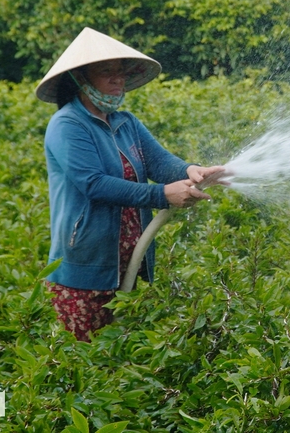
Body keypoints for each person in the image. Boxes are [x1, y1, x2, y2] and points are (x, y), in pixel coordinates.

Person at [35, 27, 225, 341]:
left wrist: (194, 171)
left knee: (119, 359)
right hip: (84, 265)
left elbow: (160, 163)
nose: (118, 79)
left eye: (121, 73)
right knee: (86, 363)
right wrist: (163, 195)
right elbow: (95, 184)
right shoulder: (67, 124)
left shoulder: (126, 123)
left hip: (125, 262)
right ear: (80, 79)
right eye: (106, 72)